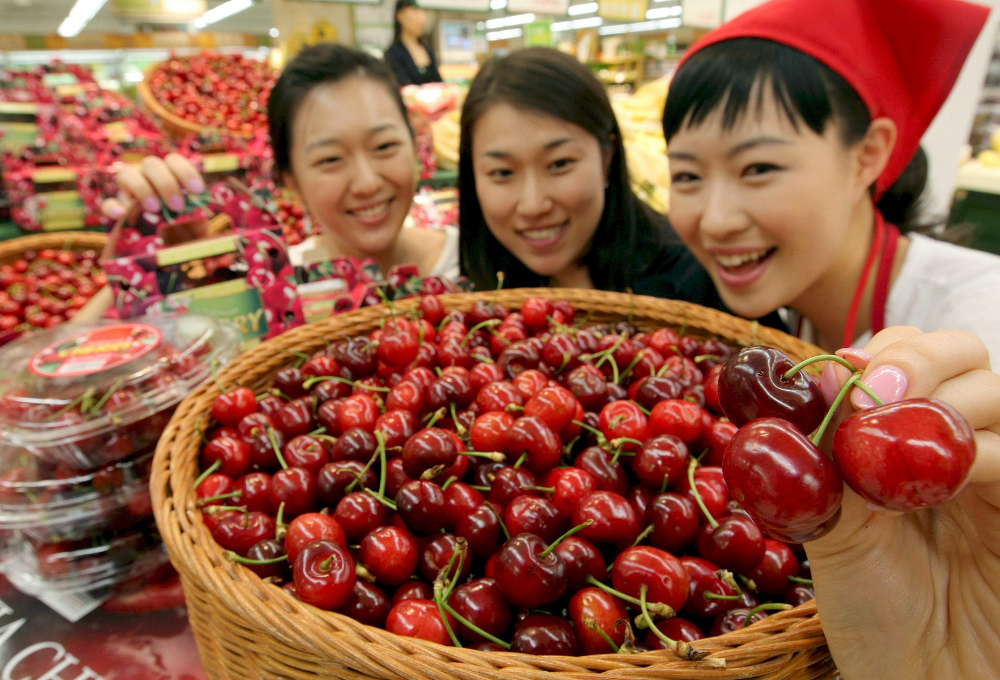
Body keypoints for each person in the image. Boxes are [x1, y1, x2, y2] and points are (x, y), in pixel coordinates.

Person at [662, 1, 1000, 678]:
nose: (716, 217)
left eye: (757, 168)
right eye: (687, 176)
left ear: (867, 155)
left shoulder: (979, 317)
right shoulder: (792, 320)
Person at [102, 43, 458, 283]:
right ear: (289, 179)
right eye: (330, 159)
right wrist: (139, 266)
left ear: (415, 147)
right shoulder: (272, 289)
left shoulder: (475, 261)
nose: (366, 182)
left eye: (384, 146)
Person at [457, 47, 737, 314]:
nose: (533, 205)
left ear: (607, 157)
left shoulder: (694, 286)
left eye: (559, 164)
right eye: (502, 172)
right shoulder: (477, 290)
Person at [384, 0, 442, 87]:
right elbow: (403, 86)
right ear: (400, 16)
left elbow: (439, 82)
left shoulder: (428, 50)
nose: (421, 17)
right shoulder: (392, 54)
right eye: (415, 11)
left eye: (423, 12)